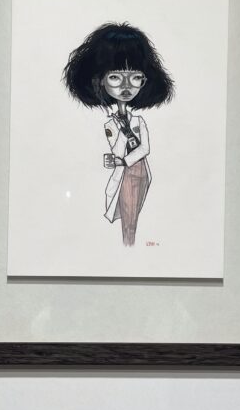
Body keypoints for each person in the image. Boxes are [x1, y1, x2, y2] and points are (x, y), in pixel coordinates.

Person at [63, 23, 174, 246]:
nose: (126, 86)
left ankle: (129, 246)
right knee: (126, 214)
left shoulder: (138, 121)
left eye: (135, 77)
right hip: (124, 173)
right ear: (100, 80)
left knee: (133, 214)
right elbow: (115, 150)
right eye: (115, 77)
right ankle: (127, 245)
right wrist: (117, 156)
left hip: (139, 171)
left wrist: (123, 159)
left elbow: (145, 148)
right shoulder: (109, 124)